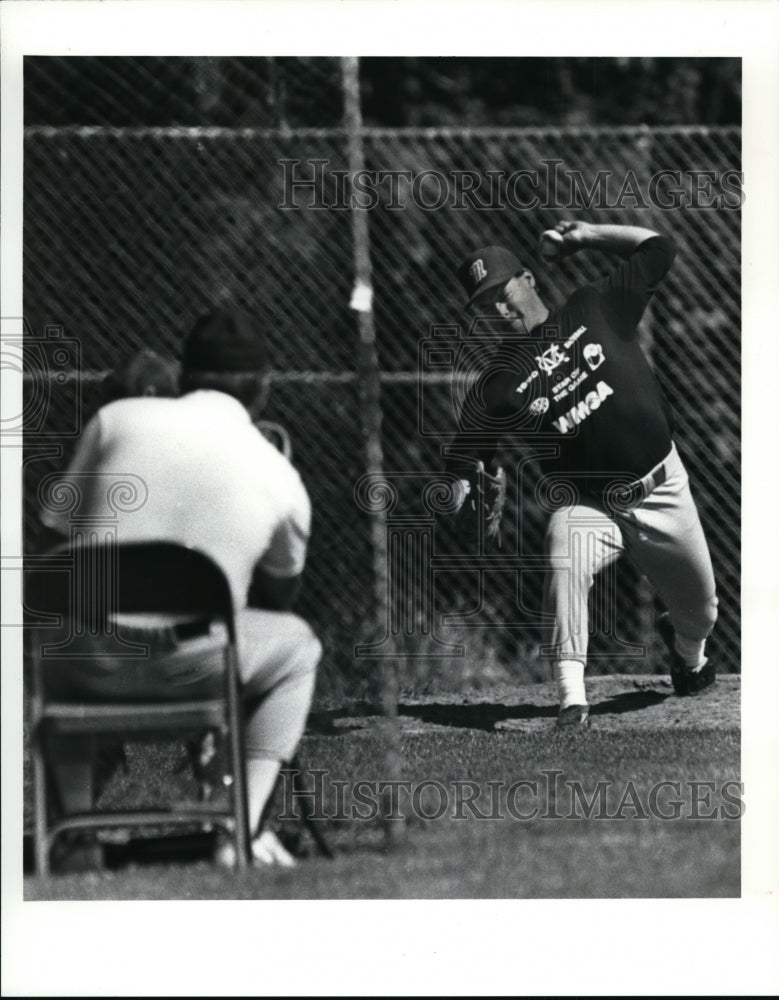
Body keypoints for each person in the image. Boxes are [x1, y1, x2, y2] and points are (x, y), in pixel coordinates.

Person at [38, 308, 322, 865]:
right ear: (262, 388)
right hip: (193, 667)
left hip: (80, 660)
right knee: (297, 645)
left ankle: (73, 833)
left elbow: (54, 542)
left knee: (75, 621)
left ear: (184, 374)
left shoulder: (115, 421)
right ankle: (238, 830)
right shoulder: (280, 476)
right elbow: (279, 599)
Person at [447, 221, 718, 726]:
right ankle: (572, 699)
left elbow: (662, 246)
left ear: (528, 279)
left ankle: (688, 658)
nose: (500, 311)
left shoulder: (592, 306)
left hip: (662, 488)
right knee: (561, 547)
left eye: (503, 294)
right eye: (486, 307)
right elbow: (464, 462)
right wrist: (466, 495)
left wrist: (587, 235)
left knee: (702, 613)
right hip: (590, 504)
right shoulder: (498, 385)